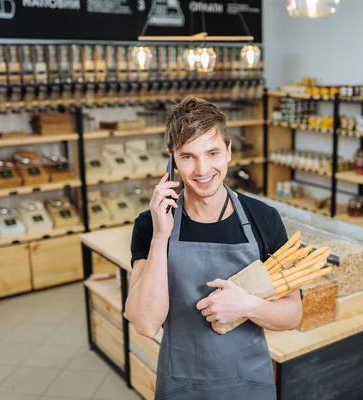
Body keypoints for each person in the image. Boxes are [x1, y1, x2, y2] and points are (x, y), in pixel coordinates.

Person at [126, 96, 303, 399]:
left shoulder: (263, 219)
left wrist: (247, 306)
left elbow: (293, 314)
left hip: (248, 383)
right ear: (171, 160)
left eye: (212, 153)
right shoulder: (150, 224)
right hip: (182, 384)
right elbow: (145, 322)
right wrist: (160, 237)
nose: (202, 169)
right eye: (188, 156)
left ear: (229, 152)